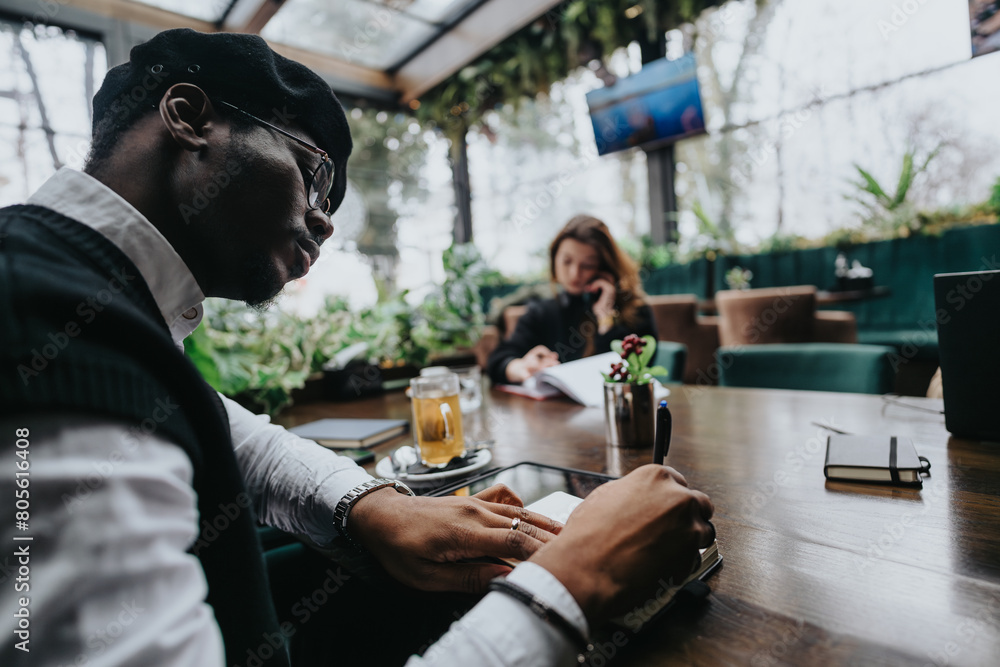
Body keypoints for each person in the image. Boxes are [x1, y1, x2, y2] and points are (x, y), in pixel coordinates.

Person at [0, 29, 713, 666]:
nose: (324, 222)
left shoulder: (84, 298)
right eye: (314, 174)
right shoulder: (45, 326)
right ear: (190, 118)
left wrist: (369, 502)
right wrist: (573, 585)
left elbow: (218, 423)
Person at [487, 215, 659, 385]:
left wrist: (605, 321)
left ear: (604, 266)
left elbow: (631, 374)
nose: (574, 274)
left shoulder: (635, 311)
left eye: (587, 265)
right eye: (566, 261)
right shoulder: (541, 312)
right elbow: (498, 361)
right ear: (554, 259)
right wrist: (522, 367)